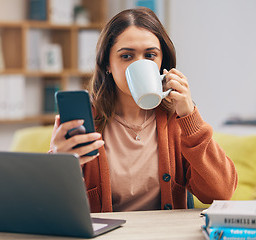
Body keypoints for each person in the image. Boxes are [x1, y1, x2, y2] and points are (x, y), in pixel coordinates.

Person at [49, 7, 237, 212]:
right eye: (127, 56)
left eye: (150, 55)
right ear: (107, 65)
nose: (139, 64)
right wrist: (58, 164)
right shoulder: (86, 121)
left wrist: (189, 115)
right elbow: (52, 205)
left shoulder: (178, 119)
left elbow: (221, 192)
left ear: (161, 62)